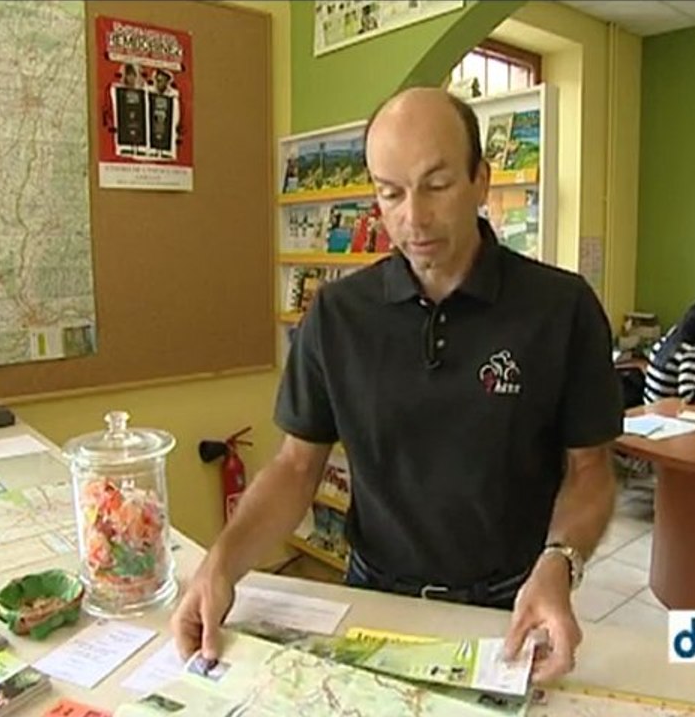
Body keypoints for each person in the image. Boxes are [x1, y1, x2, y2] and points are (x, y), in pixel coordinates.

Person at [171, 87, 623, 685]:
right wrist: (221, 564)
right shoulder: (337, 315)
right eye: (391, 193)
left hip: (512, 605)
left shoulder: (561, 308)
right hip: (374, 594)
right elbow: (295, 468)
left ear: (481, 181)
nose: (415, 217)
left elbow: (590, 471)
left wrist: (560, 562)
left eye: (437, 185)